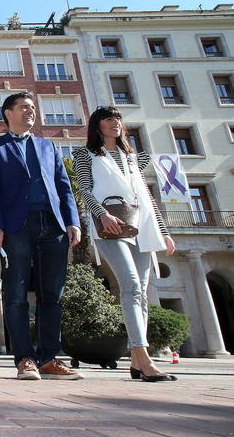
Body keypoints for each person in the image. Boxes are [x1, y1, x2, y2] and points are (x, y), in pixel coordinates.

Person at [0, 92, 83, 380]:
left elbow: (64, 187)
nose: (31, 111)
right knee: (15, 294)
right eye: (24, 107)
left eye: (33, 107)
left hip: (53, 226)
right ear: (8, 113)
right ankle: (25, 358)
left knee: (53, 294)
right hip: (16, 227)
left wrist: (72, 221)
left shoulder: (47, 146)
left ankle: (49, 358)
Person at [72, 106, 177, 382]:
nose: (115, 123)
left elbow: (146, 196)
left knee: (141, 291)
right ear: (97, 125)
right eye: (108, 119)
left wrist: (163, 231)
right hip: (109, 226)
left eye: (117, 118)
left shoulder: (133, 157)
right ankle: (143, 357)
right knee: (129, 284)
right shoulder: (85, 155)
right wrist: (102, 213)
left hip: (142, 226)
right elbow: (85, 188)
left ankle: (135, 360)